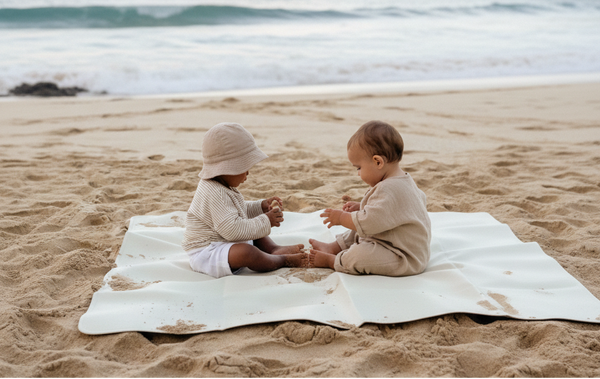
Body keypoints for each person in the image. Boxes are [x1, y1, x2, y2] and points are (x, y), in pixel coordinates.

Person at [182, 122, 307, 278]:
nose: (247, 173)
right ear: (226, 168)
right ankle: (281, 259)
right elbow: (233, 230)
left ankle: (273, 249)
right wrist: (266, 220)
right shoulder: (214, 192)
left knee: (252, 222)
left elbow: (237, 210)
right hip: (208, 251)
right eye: (243, 168)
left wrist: (260, 207)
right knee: (247, 252)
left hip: (225, 240)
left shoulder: (222, 185)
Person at [308, 120, 431, 276]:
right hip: (392, 241)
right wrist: (361, 207)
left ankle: (332, 260)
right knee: (358, 229)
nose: (358, 173)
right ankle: (334, 247)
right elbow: (392, 210)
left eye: (359, 167)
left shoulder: (389, 188)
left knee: (360, 252)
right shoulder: (403, 180)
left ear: (378, 162)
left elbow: (371, 222)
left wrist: (341, 217)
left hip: (403, 256)